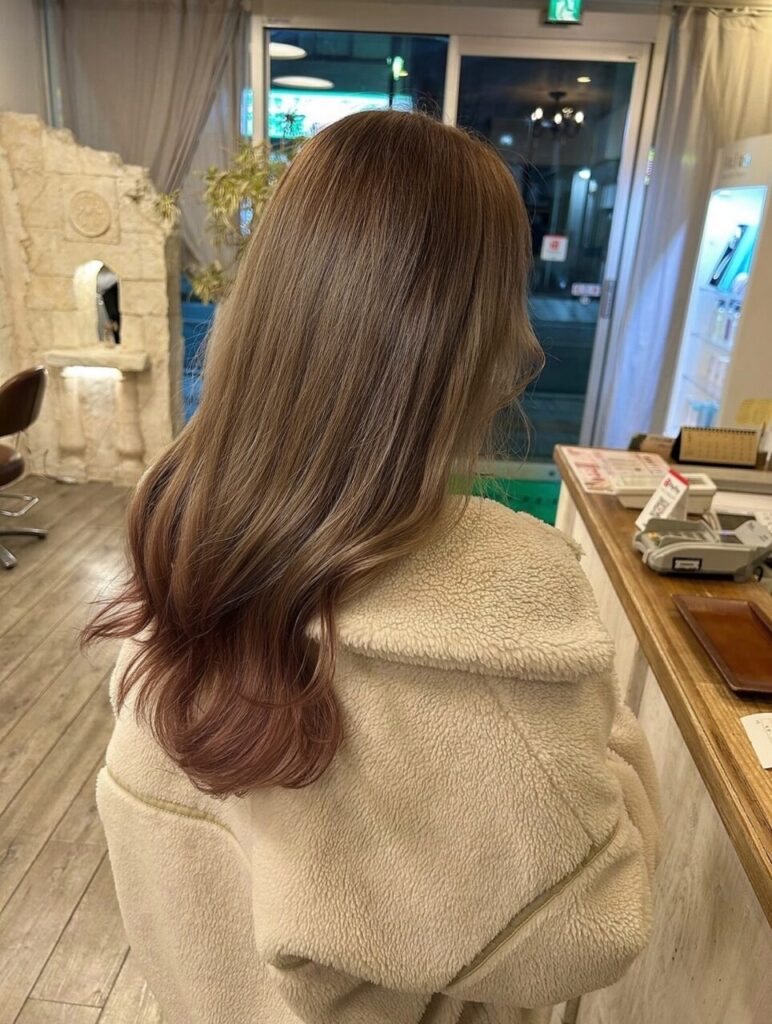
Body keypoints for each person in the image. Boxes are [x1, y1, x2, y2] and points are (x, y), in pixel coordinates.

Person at [86, 110, 660, 1024]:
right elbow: (592, 924)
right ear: (468, 337)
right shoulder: (504, 615)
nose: (527, 339)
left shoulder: (189, 557)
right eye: (505, 294)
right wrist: (610, 736)